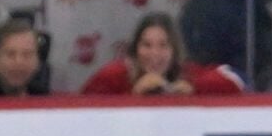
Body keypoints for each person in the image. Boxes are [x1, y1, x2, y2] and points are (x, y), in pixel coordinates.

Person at [80, 12, 243, 95]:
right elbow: (82, 110)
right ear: (135, 49)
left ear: (174, 51)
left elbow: (236, 80)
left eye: (163, 45)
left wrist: (193, 89)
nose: (154, 54)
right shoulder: (114, 75)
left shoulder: (185, 73)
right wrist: (133, 96)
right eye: (147, 45)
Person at [0, 17, 43, 98]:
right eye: (10, 54)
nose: (19, 62)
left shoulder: (44, 99)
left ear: (37, 62)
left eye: (27, 54)